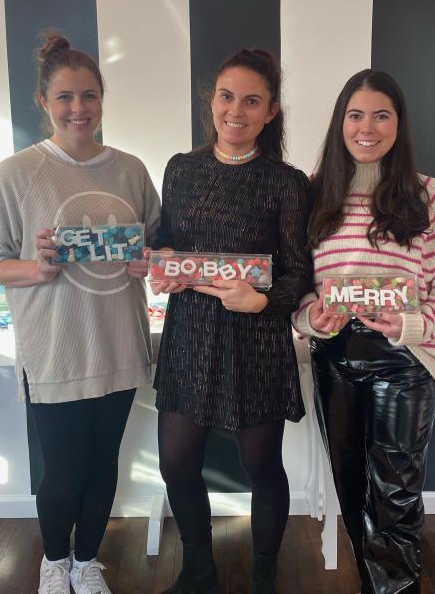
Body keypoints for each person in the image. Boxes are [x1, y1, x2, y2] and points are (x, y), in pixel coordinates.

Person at [0, 33, 160, 594]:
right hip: (55, 349)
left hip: (121, 343)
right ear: (43, 102)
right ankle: (54, 561)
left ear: (103, 99)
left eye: (90, 96)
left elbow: (154, 242)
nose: (79, 109)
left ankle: (86, 561)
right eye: (66, 98)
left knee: (104, 469)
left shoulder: (129, 169)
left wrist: (149, 261)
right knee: (63, 472)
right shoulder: (15, 174)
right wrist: (36, 267)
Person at [292, 70, 435, 594]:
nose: (367, 127)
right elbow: (298, 283)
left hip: (407, 358)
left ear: (399, 124)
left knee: (395, 491)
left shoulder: (429, 196)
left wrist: (413, 324)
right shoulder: (314, 194)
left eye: (381, 115)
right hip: (335, 354)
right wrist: (310, 317)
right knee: (351, 488)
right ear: (340, 122)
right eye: (356, 115)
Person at [152, 49, 313, 594]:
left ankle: (264, 578)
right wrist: (165, 261)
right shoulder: (181, 168)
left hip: (255, 340)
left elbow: (299, 273)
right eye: (226, 97)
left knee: (261, 466)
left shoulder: (288, 183)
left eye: (251, 101)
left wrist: (263, 302)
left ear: (271, 112)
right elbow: (164, 237)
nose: (236, 111)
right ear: (211, 100)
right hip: (190, 333)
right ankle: (199, 570)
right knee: (175, 463)